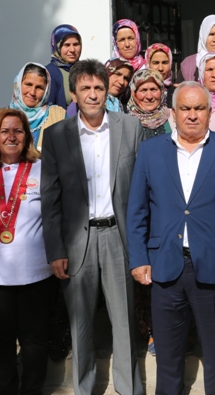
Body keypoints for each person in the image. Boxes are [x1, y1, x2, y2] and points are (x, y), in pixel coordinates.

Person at [127, 81, 215, 395]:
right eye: (185, 108)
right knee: (168, 356)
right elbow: (137, 210)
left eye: (199, 108)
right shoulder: (150, 151)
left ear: (210, 112)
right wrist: (139, 258)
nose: (191, 115)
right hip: (165, 266)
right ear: (172, 113)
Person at [40, 59, 145, 395]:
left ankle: (129, 389)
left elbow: (143, 192)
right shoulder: (57, 136)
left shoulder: (130, 128)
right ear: (73, 93)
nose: (93, 94)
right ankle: (84, 388)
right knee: (80, 324)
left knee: (125, 322)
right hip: (76, 243)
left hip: (119, 237)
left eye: (99, 87)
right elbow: (50, 198)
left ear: (107, 91)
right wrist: (55, 250)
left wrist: (142, 247)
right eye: (85, 88)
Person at [0, 108, 54, 395]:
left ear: (27, 136)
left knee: (35, 341)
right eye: (4, 131)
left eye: (18, 130)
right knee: (1, 343)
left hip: (36, 273)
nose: (11, 136)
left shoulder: (42, 169)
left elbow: (53, 216)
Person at [0, 62, 66, 163]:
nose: (32, 92)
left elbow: (70, 155)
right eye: (28, 84)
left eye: (39, 87)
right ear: (18, 84)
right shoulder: (0, 117)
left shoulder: (59, 116)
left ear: (46, 91)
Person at [127, 68, 173, 138]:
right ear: (134, 94)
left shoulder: (173, 117)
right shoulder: (127, 123)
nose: (149, 96)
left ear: (161, 91)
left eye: (153, 89)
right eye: (143, 90)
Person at [46, 24, 82, 109]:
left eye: (76, 44)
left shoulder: (85, 69)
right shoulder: (49, 73)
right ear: (57, 46)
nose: (72, 50)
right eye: (67, 45)